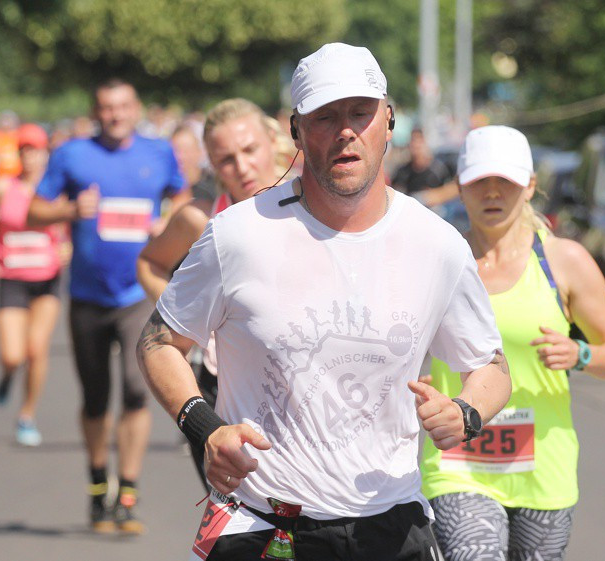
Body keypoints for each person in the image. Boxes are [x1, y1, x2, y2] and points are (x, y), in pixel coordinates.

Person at [136, 42, 512, 561]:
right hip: (263, 525)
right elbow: (159, 342)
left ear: (389, 120)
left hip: (390, 525)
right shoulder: (238, 235)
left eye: (360, 112)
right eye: (325, 116)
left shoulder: (438, 245)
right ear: (295, 130)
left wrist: (466, 413)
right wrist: (205, 428)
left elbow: (490, 365)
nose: (345, 131)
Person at [419, 125, 605, 561]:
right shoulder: (439, 264)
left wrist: (581, 353)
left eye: (507, 182)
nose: (493, 194)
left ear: (531, 186)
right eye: (481, 182)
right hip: (458, 467)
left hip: (543, 472)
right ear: (460, 187)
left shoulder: (564, 261)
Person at [27, 78, 186, 534]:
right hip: (87, 296)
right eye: (106, 107)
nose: (115, 114)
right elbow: (33, 212)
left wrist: (168, 220)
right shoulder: (72, 154)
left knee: (137, 392)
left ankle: (128, 493)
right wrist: (70, 211)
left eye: (122, 106)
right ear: (96, 112)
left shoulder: (158, 153)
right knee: (96, 400)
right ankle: (99, 485)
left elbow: (182, 197)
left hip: (137, 293)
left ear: (135, 109)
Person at [137, 98, 281, 489]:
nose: (242, 167)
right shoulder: (199, 219)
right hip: (221, 382)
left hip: (293, 379)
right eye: (226, 160)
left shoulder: (311, 206)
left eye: (250, 150)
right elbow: (149, 263)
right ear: (214, 167)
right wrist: (187, 313)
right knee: (235, 510)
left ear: (274, 140)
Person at [0, 123, 64, 447]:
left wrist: (68, 247)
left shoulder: (55, 191)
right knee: (13, 355)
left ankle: (26, 415)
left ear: (46, 154)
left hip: (47, 279)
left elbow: (72, 223)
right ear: (18, 154)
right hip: (12, 279)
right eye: (25, 150)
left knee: (36, 350)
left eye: (37, 150)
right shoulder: (1, 188)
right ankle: (8, 375)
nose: (31, 157)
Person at [391, 128, 451, 197]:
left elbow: (448, 191)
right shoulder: (403, 172)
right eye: (413, 142)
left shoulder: (438, 170)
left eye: (419, 142)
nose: (416, 146)